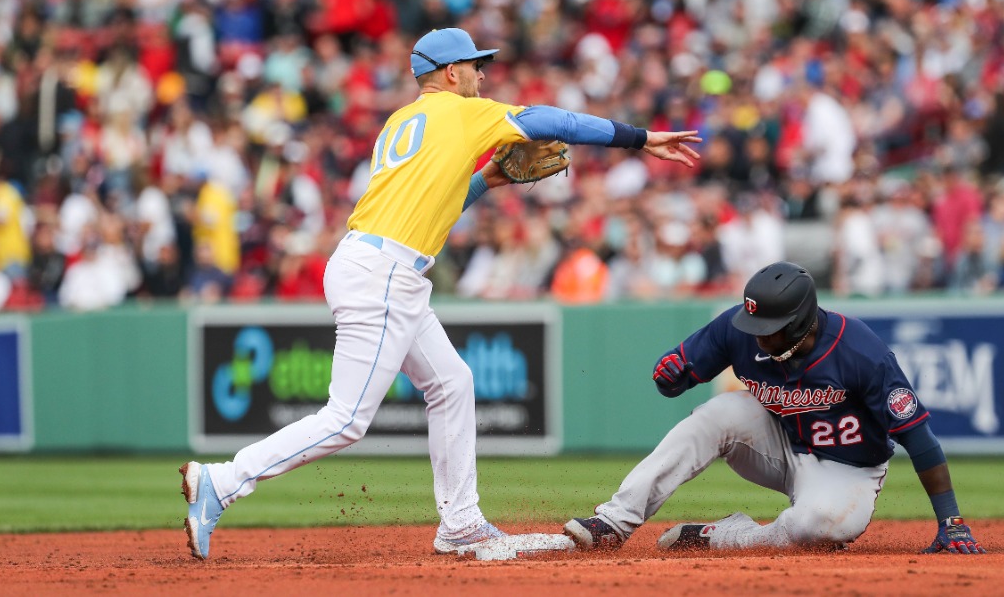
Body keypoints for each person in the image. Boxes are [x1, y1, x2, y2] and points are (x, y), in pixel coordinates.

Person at [179, 27, 701, 560]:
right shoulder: (461, 111)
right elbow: (553, 120)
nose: (483, 74)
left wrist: (487, 180)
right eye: (476, 65)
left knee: (452, 383)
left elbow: (436, 203)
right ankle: (222, 482)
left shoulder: (402, 120)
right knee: (346, 419)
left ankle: (461, 522)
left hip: (377, 263)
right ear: (451, 73)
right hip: (383, 273)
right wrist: (639, 138)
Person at [562, 261, 984, 555]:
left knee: (818, 527)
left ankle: (725, 536)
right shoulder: (739, 328)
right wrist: (670, 373)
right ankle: (614, 523)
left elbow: (919, 438)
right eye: (755, 327)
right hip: (778, 444)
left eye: (770, 331)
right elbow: (679, 378)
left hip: (848, 467)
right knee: (715, 415)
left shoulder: (861, 351)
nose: (757, 337)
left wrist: (950, 520)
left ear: (803, 323)